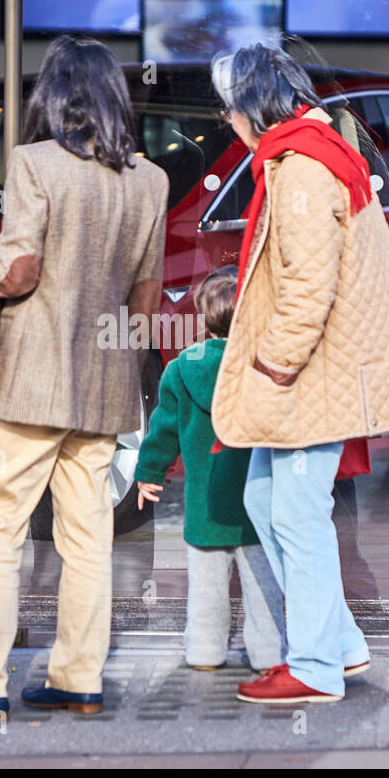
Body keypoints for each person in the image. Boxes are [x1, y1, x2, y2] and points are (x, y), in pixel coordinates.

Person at [0, 35, 169, 721]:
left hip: (32, 380)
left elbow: (19, 270)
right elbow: (147, 294)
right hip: (104, 383)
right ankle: (78, 678)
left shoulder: (33, 163)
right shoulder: (150, 180)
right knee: (88, 534)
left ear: (53, 99)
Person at [209, 44, 389, 704]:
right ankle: (340, 644)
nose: (227, 120)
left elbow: (309, 286)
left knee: (298, 516)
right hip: (310, 373)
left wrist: (273, 365)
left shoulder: (303, 167)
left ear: (257, 103)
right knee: (265, 501)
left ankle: (313, 667)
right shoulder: (305, 153)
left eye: (231, 107)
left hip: (311, 375)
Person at [132, 265, 285, 674]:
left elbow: (162, 430)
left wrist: (149, 473)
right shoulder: (261, 368)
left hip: (204, 507)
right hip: (256, 507)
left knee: (206, 591)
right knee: (263, 590)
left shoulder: (182, 369)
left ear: (203, 316)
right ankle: (270, 656)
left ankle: (203, 653)